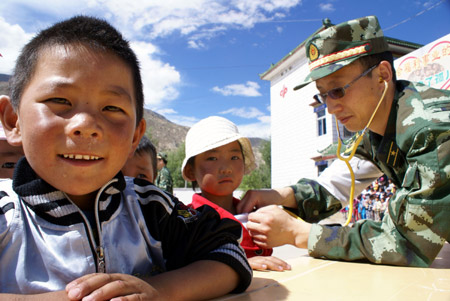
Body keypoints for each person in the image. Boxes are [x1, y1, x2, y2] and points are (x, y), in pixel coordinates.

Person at [0, 16, 252, 299]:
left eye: (111, 107)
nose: (86, 125)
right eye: (60, 101)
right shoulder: (5, 215)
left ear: (135, 136)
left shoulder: (152, 207)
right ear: (13, 120)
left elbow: (228, 251)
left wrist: (158, 292)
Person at [237, 15, 450, 267]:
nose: (329, 108)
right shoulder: (375, 130)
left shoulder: (431, 128)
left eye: (338, 90)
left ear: (382, 75)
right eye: (323, 94)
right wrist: (279, 195)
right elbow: (334, 186)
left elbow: (406, 244)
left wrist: (300, 233)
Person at [182, 116, 291, 272]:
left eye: (234, 157)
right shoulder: (187, 221)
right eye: (212, 158)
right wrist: (237, 263)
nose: (226, 168)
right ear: (190, 170)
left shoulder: (256, 216)